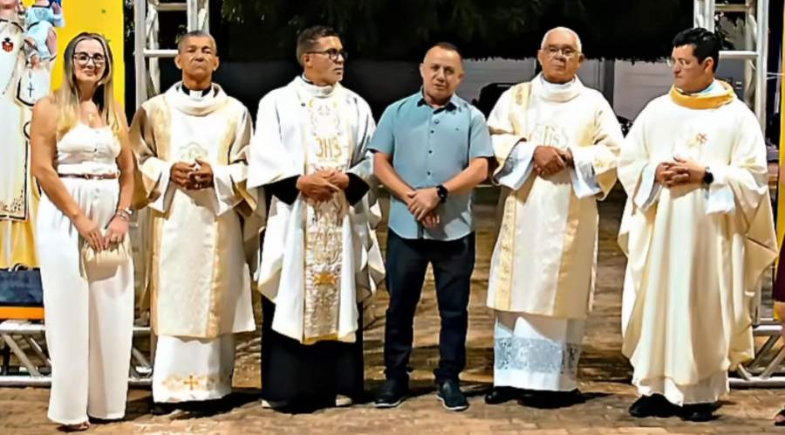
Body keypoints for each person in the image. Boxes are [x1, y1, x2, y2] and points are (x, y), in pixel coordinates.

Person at [618, 27, 778, 422]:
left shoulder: (737, 116)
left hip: (711, 236)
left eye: (684, 63)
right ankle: (653, 388)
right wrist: (655, 171)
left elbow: (754, 177)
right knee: (657, 302)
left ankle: (700, 393)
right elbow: (628, 161)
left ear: (708, 65)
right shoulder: (657, 111)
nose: (676, 70)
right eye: (673, 61)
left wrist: (705, 173)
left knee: (702, 306)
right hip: (661, 232)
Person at [247, 25, 384, 412]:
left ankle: (341, 386)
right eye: (332, 53)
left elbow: (372, 155)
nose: (340, 59)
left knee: (341, 298)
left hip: (341, 218)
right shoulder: (276, 102)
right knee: (291, 291)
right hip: (296, 219)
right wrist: (299, 181)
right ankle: (286, 390)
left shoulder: (356, 104)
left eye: (341, 52)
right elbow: (264, 154)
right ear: (308, 59)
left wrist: (351, 178)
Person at [484, 27, 622, 407]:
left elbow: (614, 151)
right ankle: (508, 378)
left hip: (569, 213)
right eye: (553, 50)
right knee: (516, 292)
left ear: (580, 60)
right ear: (540, 55)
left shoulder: (594, 103)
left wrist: (572, 157)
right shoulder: (517, 97)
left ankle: (554, 383)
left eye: (568, 51)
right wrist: (532, 153)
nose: (560, 57)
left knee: (558, 295)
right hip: (523, 209)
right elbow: (492, 139)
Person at [131, 30, 261, 412]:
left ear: (217, 62)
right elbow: (135, 160)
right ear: (178, 59)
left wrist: (216, 176)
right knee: (173, 300)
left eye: (207, 51)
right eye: (192, 50)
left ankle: (213, 390)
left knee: (215, 301)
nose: (200, 56)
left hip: (216, 222)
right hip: (171, 220)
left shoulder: (236, 112)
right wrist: (170, 171)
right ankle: (169, 389)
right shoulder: (153, 110)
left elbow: (249, 167)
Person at [371, 42, 493, 412]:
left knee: (454, 309)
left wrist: (438, 194)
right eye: (435, 68)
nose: (441, 76)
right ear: (422, 69)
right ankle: (395, 376)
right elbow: (380, 163)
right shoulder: (397, 112)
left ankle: (449, 377)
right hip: (405, 230)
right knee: (399, 306)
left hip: (454, 230)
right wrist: (415, 198)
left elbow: (480, 168)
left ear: (460, 76)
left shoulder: (472, 117)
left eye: (449, 71)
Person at [31, 32, 134, 431]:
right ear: (70, 60)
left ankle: (107, 404)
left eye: (99, 57)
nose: (91, 63)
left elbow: (129, 171)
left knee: (112, 307)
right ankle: (70, 409)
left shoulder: (114, 111)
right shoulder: (49, 107)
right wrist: (79, 218)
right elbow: (42, 169)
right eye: (83, 55)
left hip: (110, 209)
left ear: (107, 65)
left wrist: (122, 215)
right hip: (65, 214)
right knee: (68, 309)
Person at [23, 0, 64, 66]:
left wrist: (57, 12)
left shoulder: (51, 9)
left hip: (44, 36)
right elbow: (25, 23)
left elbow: (59, 24)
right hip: (31, 36)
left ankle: (38, 47)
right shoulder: (30, 10)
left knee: (44, 24)